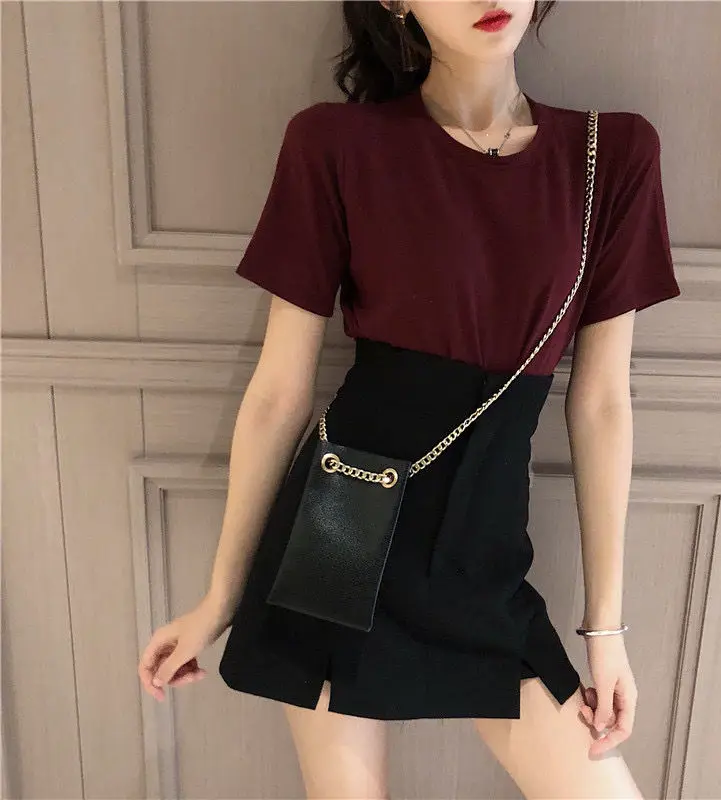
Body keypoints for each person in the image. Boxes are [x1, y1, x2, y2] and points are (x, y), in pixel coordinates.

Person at [137, 1, 681, 797]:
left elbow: (600, 403)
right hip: (342, 527)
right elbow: (279, 393)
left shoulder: (610, 154)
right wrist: (220, 595)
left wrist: (607, 631)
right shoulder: (335, 144)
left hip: (483, 555)